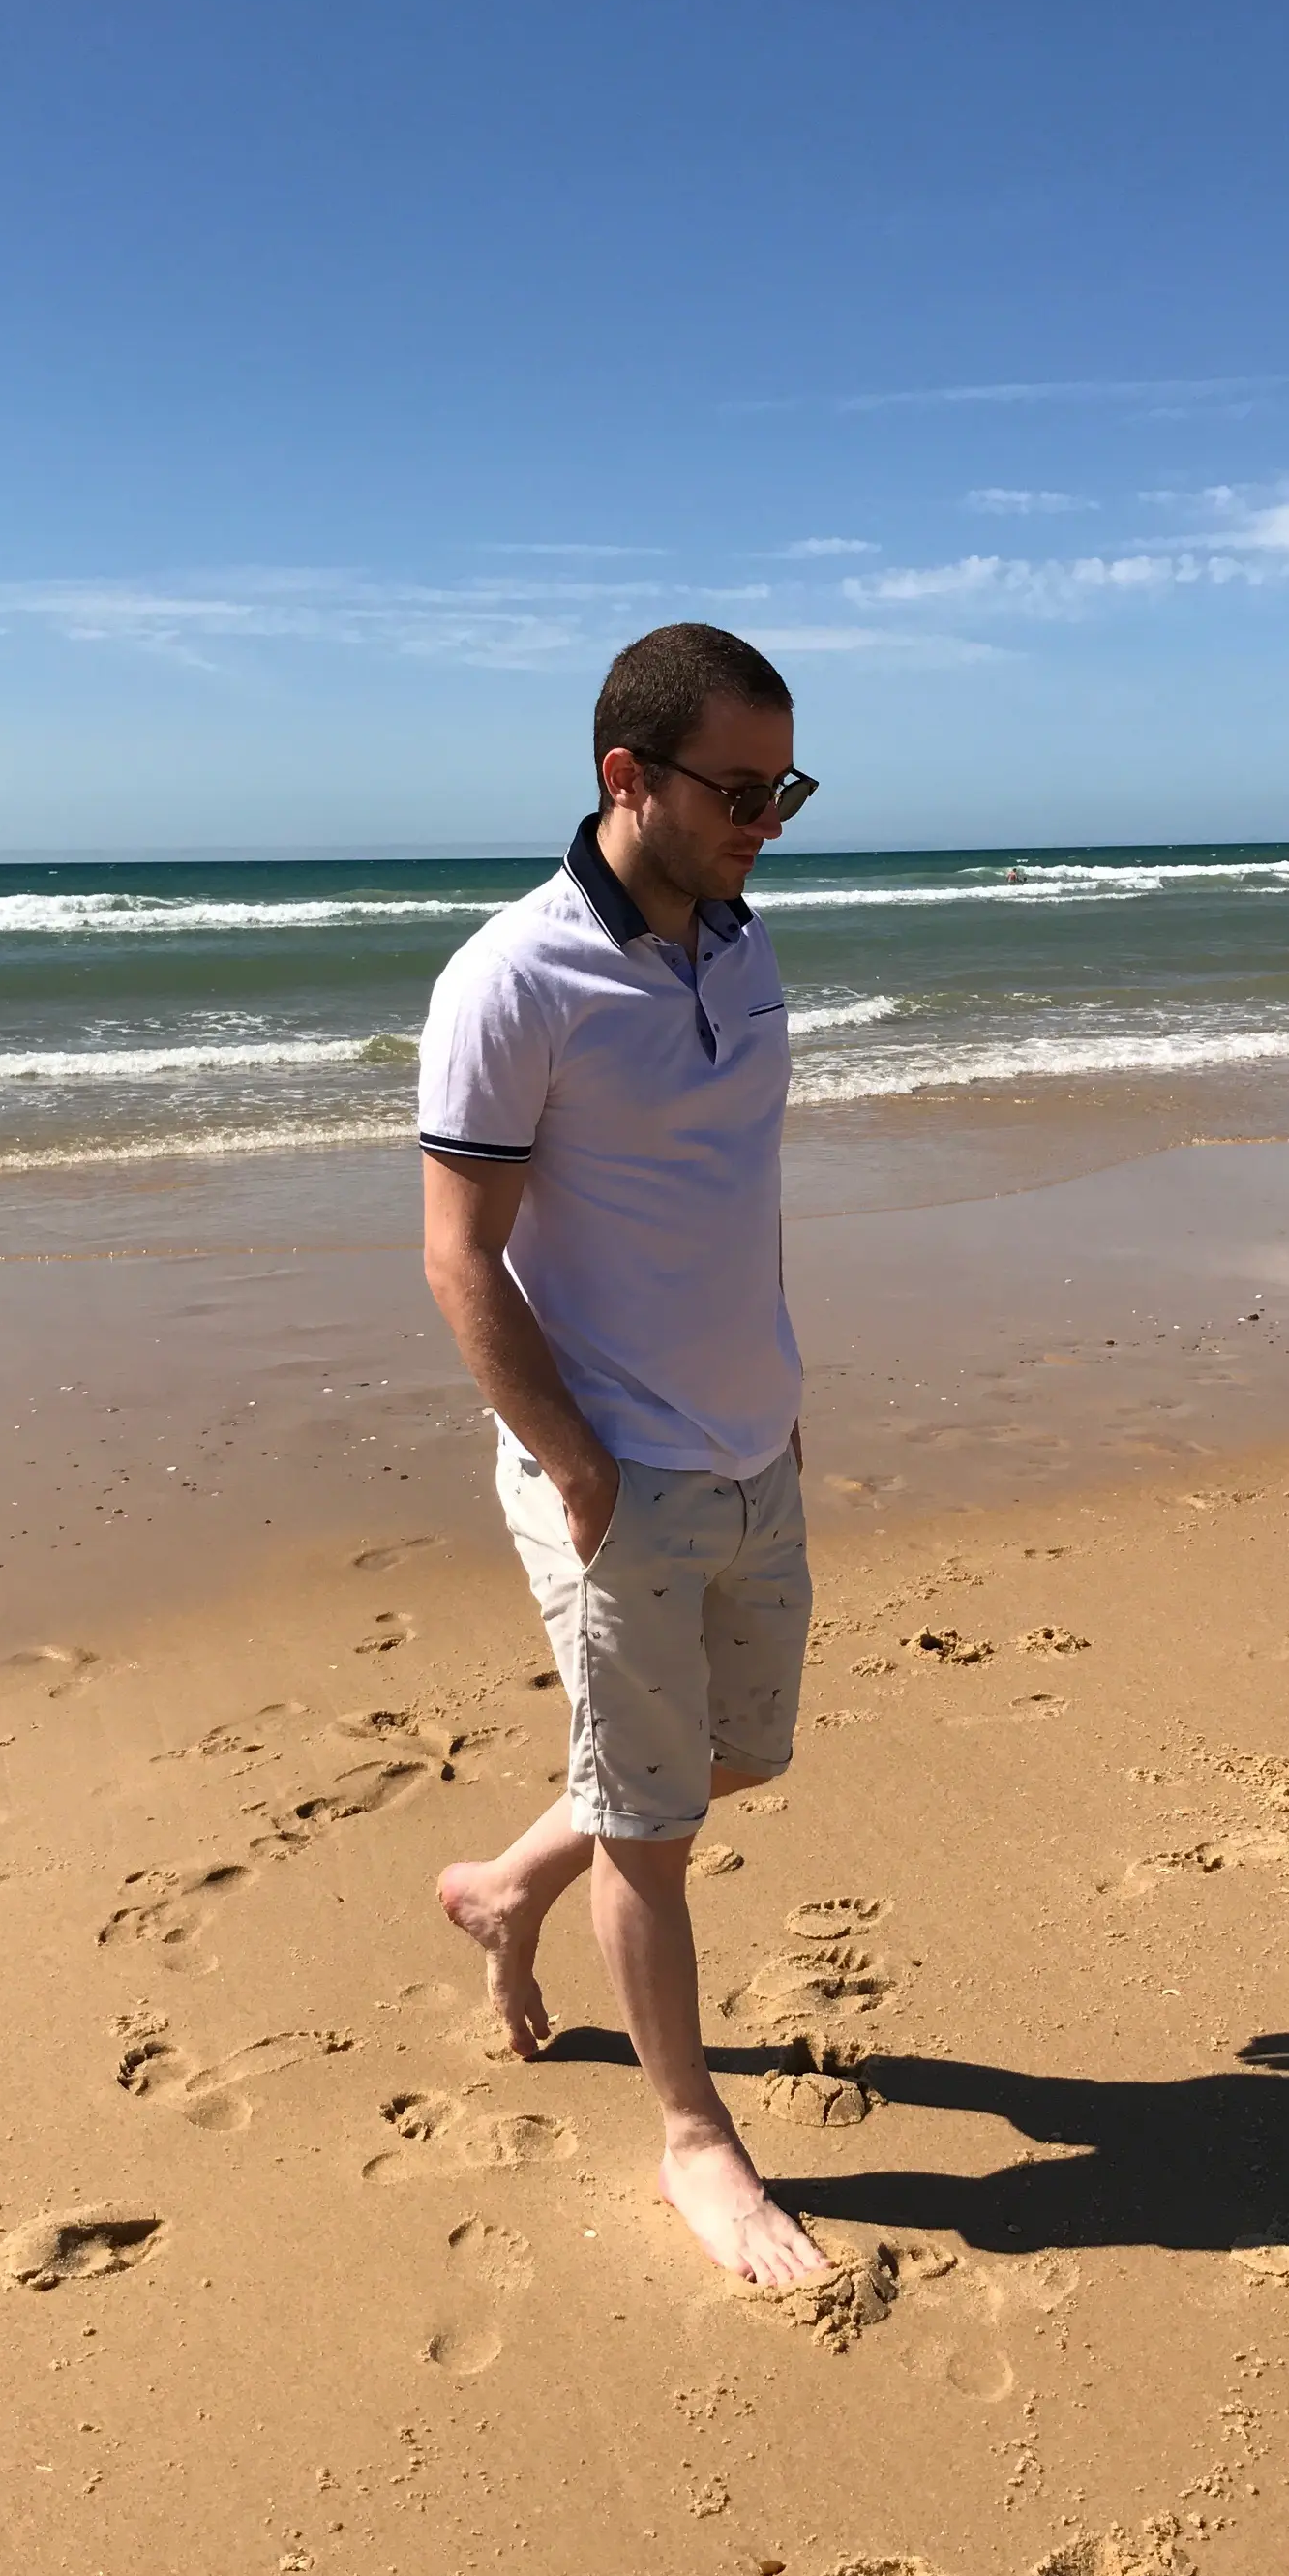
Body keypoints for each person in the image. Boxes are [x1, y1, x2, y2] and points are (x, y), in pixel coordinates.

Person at [417, 622, 828, 2288]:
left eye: (784, 787)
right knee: (654, 1834)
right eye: (737, 789)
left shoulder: (742, 944)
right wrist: (576, 1469)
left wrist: (782, 1401)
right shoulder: (512, 979)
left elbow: (722, 1202)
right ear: (624, 777)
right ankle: (692, 2141)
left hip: (757, 1444)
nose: (764, 819)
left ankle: (504, 1885)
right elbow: (458, 1257)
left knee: (735, 1762)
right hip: (616, 1476)